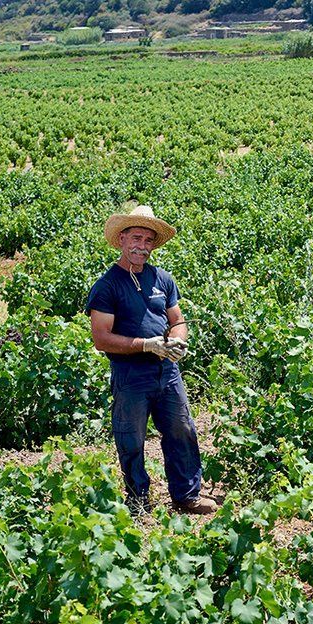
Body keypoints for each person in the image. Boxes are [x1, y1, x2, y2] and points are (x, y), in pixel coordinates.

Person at [86, 204, 216, 516]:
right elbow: (101, 338)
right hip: (131, 375)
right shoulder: (107, 285)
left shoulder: (162, 279)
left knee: (182, 430)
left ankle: (187, 496)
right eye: (136, 239)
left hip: (167, 372)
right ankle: (138, 500)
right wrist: (147, 344)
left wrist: (178, 340)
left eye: (148, 241)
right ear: (121, 239)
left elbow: (178, 320)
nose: (142, 247)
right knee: (131, 439)